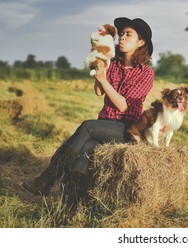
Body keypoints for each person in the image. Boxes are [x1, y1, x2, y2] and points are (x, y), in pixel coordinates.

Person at [22, 17, 155, 200]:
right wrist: (100, 70)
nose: (122, 37)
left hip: (126, 128)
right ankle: (72, 200)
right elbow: (99, 92)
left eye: (128, 35)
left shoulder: (145, 73)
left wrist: (103, 80)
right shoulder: (113, 63)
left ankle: (47, 179)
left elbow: (125, 106)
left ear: (141, 42)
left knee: (87, 127)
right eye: (122, 34)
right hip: (105, 124)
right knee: (86, 149)